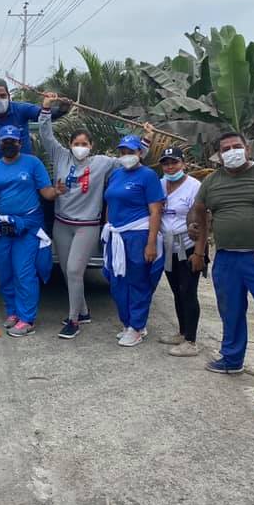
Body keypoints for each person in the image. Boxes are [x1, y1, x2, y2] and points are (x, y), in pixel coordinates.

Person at [38, 91, 138, 338]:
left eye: (84, 144)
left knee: (74, 270)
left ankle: (73, 321)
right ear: (70, 145)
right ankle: (82, 311)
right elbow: (46, 135)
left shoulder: (101, 163)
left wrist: (144, 140)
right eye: (76, 143)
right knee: (66, 271)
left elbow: (129, 160)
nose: (80, 147)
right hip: (62, 224)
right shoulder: (61, 156)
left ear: (91, 146)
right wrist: (46, 108)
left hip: (87, 226)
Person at [191, 132, 254, 379]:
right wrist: (198, 245)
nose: (231, 151)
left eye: (236, 146)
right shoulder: (212, 182)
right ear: (219, 155)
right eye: (225, 149)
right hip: (226, 259)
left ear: (247, 149)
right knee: (230, 311)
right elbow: (199, 212)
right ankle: (232, 359)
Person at [0, 125, 57, 337]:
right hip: (1, 227)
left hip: (27, 226)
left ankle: (27, 319)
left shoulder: (33, 163)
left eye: (13, 141)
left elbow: (46, 193)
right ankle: (13, 312)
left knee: (23, 272)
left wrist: (58, 191)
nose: (9, 144)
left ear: (20, 143)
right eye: (5, 141)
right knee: (4, 272)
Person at [102, 134, 165, 347]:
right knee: (116, 281)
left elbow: (155, 211)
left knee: (138, 282)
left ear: (140, 153)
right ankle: (128, 322)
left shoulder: (148, 176)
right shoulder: (116, 175)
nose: (126, 155)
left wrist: (151, 242)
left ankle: (137, 327)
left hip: (137, 235)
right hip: (116, 235)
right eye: (123, 152)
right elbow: (110, 203)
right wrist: (108, 229)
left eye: (131, 152)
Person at [157, 147, 203, 357]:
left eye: (174, 162)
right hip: (168, 247)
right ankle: (182, 332)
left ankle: (191, 341)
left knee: (188, 291)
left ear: (183, 163)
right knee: (176, 290)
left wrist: (199, 252)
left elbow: (203, 219)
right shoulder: (160, 184)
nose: (170, 167)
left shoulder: (194, 187)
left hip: (188, 245)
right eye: (166, 164)